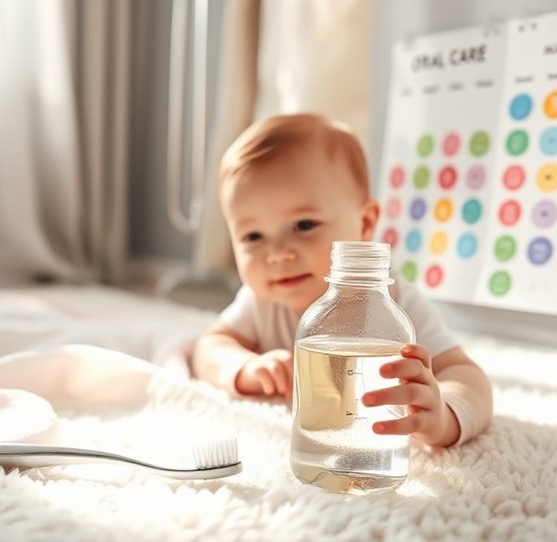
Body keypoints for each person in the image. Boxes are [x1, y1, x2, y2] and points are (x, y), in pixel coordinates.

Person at [190, 113, 492, 447]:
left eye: (303, 226)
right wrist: (244, 367)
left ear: (365, 224)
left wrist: (443, 413)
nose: (275, 254)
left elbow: (465, 374)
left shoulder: (391, 301)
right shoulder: (261, 299)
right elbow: (209, 346)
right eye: (253, 236)